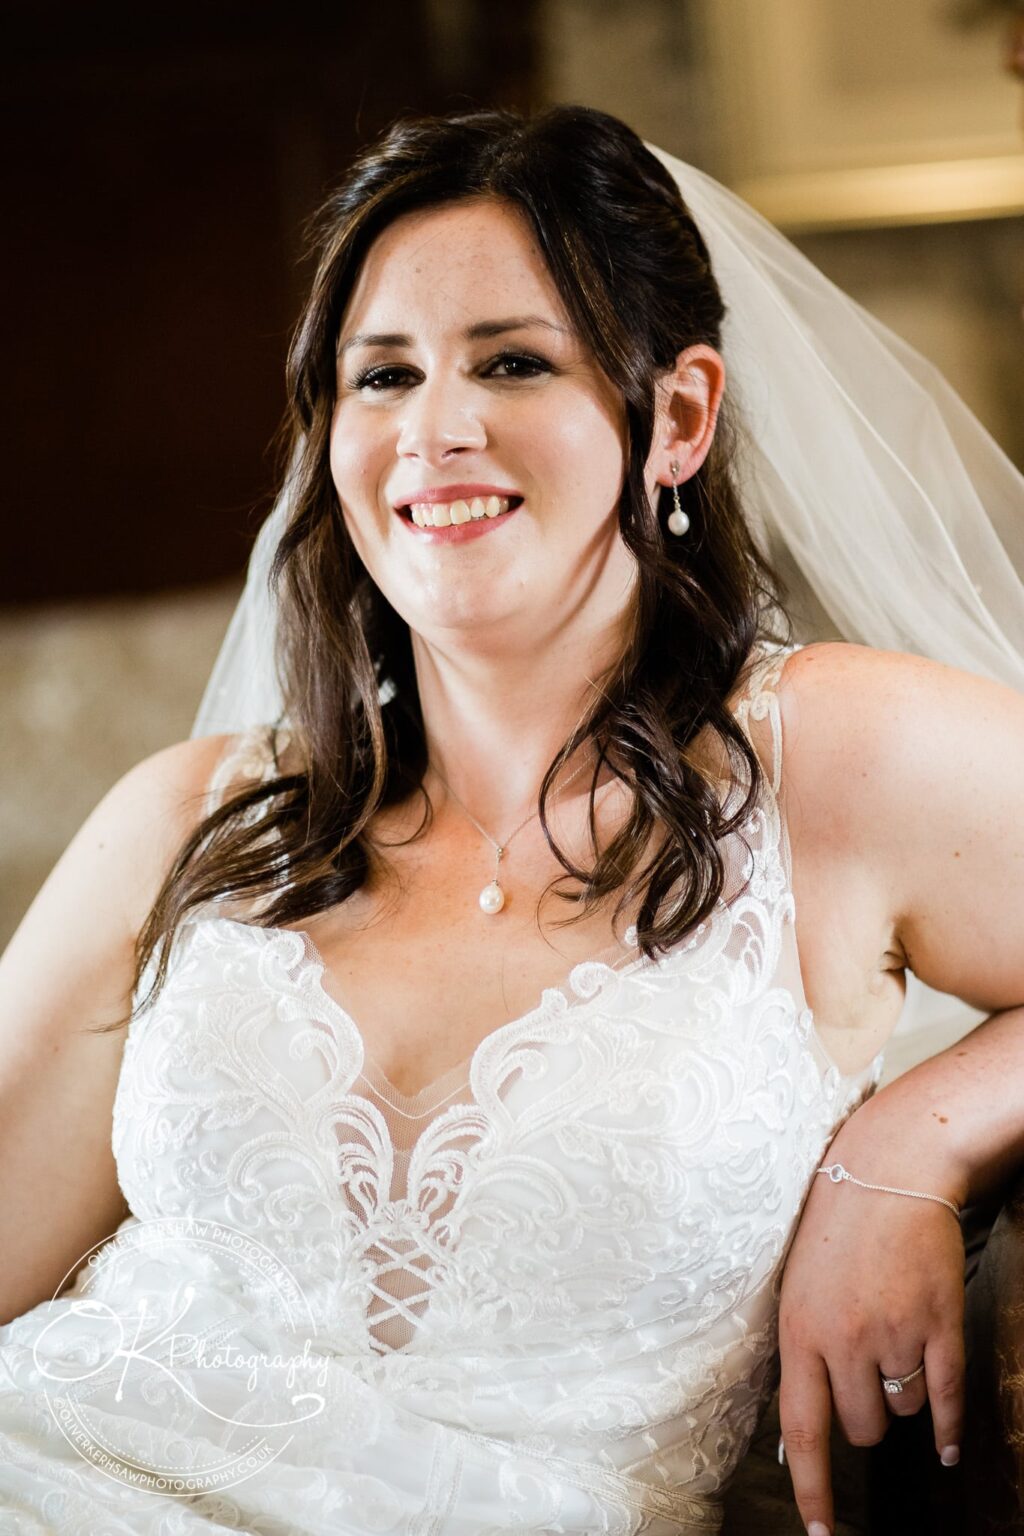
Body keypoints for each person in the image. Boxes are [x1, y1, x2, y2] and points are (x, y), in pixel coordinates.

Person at [0, 104, 1021, 1536]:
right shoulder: (191, 821)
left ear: (675, 416)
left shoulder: (831, 759)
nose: (436, 430)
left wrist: (915, 1142)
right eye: (383, 376)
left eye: (513, 363)